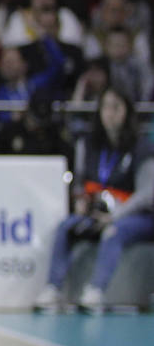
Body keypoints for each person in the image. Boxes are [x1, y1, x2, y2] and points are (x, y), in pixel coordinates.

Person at [35, 88, 147, 312]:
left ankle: (96, 290)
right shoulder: (90, 143)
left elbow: (148, 193)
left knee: (115, 231)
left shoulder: (141, 145)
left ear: (127, 111)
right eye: (106, 107)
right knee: (65, 227)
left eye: (116, 107)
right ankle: (52, 288)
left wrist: (117, 214)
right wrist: (81, 202)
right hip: (98, 212)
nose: (110, 113)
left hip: (135, 216)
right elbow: (79, 183)